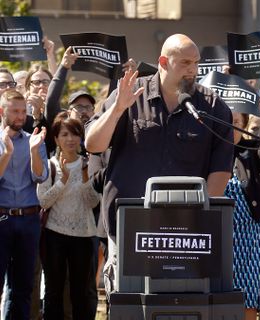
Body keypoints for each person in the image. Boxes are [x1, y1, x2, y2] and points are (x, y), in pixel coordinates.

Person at [85, 33, 234, 297]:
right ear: (163, 62)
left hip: (185, 236)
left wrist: (199, 223)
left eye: (196, 63)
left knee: (180, 308)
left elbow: (220, 170)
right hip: (129, 230)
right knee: (130, 309)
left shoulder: (212, 106)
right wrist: (118, 109)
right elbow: (93, 144)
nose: (193, 70)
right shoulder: (131, 96)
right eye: (185, 62)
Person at [37, 112, 100, 320]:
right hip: (54, 234)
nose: (70, 139)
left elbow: (93, 202)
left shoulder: (88, 164)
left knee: (81, 293)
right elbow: (43, 201)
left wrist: (83, 179)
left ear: (81, 138)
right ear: (56, 139)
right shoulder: (49, 165)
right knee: (53, 290)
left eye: (74, 134)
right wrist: (62, 180)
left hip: (84, 236)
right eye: (64, 134)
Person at [225, 98, 260, 320]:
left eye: (236, 121)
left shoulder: (250, 150)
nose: (231, 127)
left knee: (246, 297)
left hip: (251, 236)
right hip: (219, 236)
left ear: (244, 124)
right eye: (225, 122)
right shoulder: (204, 154)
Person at [0, 89, 48, 319]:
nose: (21, 116)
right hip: (1, 219)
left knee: (23, 287)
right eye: (15, 111)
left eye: (23, 111)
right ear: (2, 111)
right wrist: (7, 153)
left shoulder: (34, 139)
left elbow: (40, 177)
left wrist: (33, 151)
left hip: (29, 220)